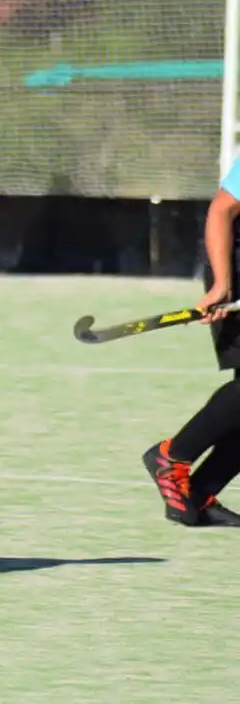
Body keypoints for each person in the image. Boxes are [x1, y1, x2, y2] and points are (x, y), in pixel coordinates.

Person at [142, 160, 240, 528]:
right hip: (233, 267)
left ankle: (198, 494)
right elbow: (222, 210)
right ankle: (172, 456)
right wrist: (223, 284)